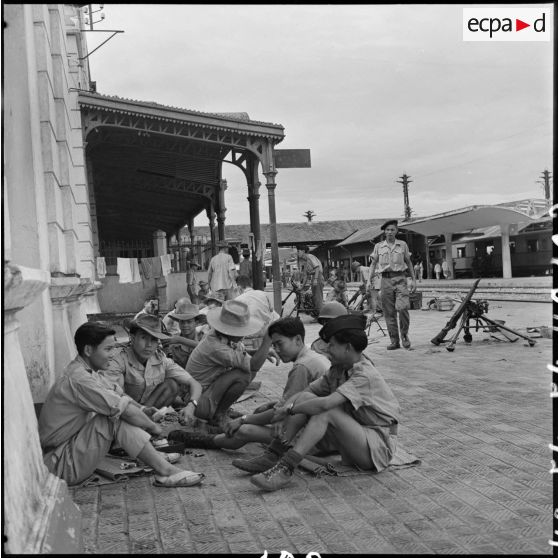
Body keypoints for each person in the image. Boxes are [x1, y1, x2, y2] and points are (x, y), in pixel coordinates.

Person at [38, 322, 204, 487]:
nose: (112, 354)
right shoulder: (80, 379)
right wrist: (154, 428)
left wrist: (143, 409)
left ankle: (154, 458)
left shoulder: (88, 372)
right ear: (88, 350)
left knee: (123, 411)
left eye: (113, 348)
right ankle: (165, 470)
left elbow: (117, 393)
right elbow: (122, 408)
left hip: (70, 450)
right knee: (114, 418)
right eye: (108, 349)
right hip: (59, 464)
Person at [245, 314, 400, 491]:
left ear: (348, 348)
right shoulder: (338, 369)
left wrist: (288, 411)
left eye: (332, 345)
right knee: (306, 399)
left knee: (326, 411)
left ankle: (286, 468)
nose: (327, 350)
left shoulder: (364, 375)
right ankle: (274, 453)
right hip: (355, 438)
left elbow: (326, 404)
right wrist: (285, 409)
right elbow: (307, 393)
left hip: (377, 447)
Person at [168, 317, 330, 457]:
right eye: (275, 345)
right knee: (259, 411)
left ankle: (208, 441)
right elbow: (295, 403)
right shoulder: (312, 357)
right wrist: (272, 407)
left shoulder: (301, 367)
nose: (277, 350)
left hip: (315, 437)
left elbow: (281, 410)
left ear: (298, 340)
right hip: (199, 400)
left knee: (245, 430)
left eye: (279, 344)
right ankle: (220, 420)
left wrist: (243, 420)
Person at [184, 299, 275, 430]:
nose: (244, 335)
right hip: (198, 403)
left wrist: (262, 352)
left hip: (202, 396)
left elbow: (242, 356)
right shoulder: (216, 346)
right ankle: (218, 416)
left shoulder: (221, 338)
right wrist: (268, 339)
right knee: (243, 375)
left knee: (246, 371)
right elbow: (253, 365)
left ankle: (221, 410)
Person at [103, 314, 203, 421]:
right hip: (124, 412)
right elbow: (113, 395)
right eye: (143, 337)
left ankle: (147, 421)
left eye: (154, 339)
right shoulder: (119, 359)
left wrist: (192, 405)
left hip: (147, 409)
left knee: (171, 385)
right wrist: (141, 409)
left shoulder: (160, 358)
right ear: (132, 338)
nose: (149, 345)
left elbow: (195, 383)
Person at [369, 219, 416, 350]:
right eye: (387, 230)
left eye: (392, 230)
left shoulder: (402, 245)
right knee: (389, 312)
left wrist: (413, 280)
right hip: (385, 280)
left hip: (400, 278)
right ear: (384, 232)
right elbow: (373, 264)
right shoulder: (378, 246)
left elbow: (409, 262)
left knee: (402, 308)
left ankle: (405, 335)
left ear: (396, 231)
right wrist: (369, 280)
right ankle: (394, 340)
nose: (390, 232)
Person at [234, 274, 280, 354]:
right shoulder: (264, 294)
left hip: (249, 333)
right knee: (274, 314)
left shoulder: (237, 300)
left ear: (239, 288)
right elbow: (271, 309)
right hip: (267, 330)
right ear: (250, 285)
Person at [162, 301, 203, 369]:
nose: (185, 325)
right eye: (182, 322)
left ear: (196, 323)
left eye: (189, 322)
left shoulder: (203, 337)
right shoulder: (172, 343)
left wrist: (180, 340)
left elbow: (205, 347)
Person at [297, 245, 324, 315]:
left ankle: (321, 316)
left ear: (303, 251)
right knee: (314, 298)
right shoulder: (305, 261)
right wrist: (301, 287)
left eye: (298, 251)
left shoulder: (310, 256)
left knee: (318, 298)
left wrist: (315, 279)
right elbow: (306, 276)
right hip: (314, 278)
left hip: (318, 277)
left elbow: (317, 267)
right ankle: (317, 315)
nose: (297, 253)